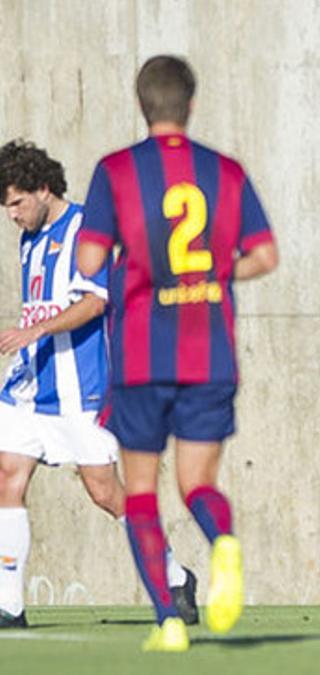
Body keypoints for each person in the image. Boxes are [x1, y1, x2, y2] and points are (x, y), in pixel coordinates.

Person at [76, 55, 279, 651]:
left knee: (141, 492)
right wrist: (214, 274)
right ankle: (223, 543)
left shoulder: (116, 172)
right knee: (197, 482)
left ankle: (168, 621)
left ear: (142, 106)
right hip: (208, 352)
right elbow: (265, 257)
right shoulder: (226, 172)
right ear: (191, 105)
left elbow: (89, 261)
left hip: (142, 354)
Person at [0, 140, 196, 628]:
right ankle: (9, 605)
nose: (11, 215)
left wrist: (36, 330)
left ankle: (175, 575)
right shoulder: (31, 236)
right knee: (8, 476)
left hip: (83, 388)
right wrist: (31, 339)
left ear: (43, 188)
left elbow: (94, 302)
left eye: (17, 202)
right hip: (30, 386)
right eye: (6, 206)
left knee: (106, 493)